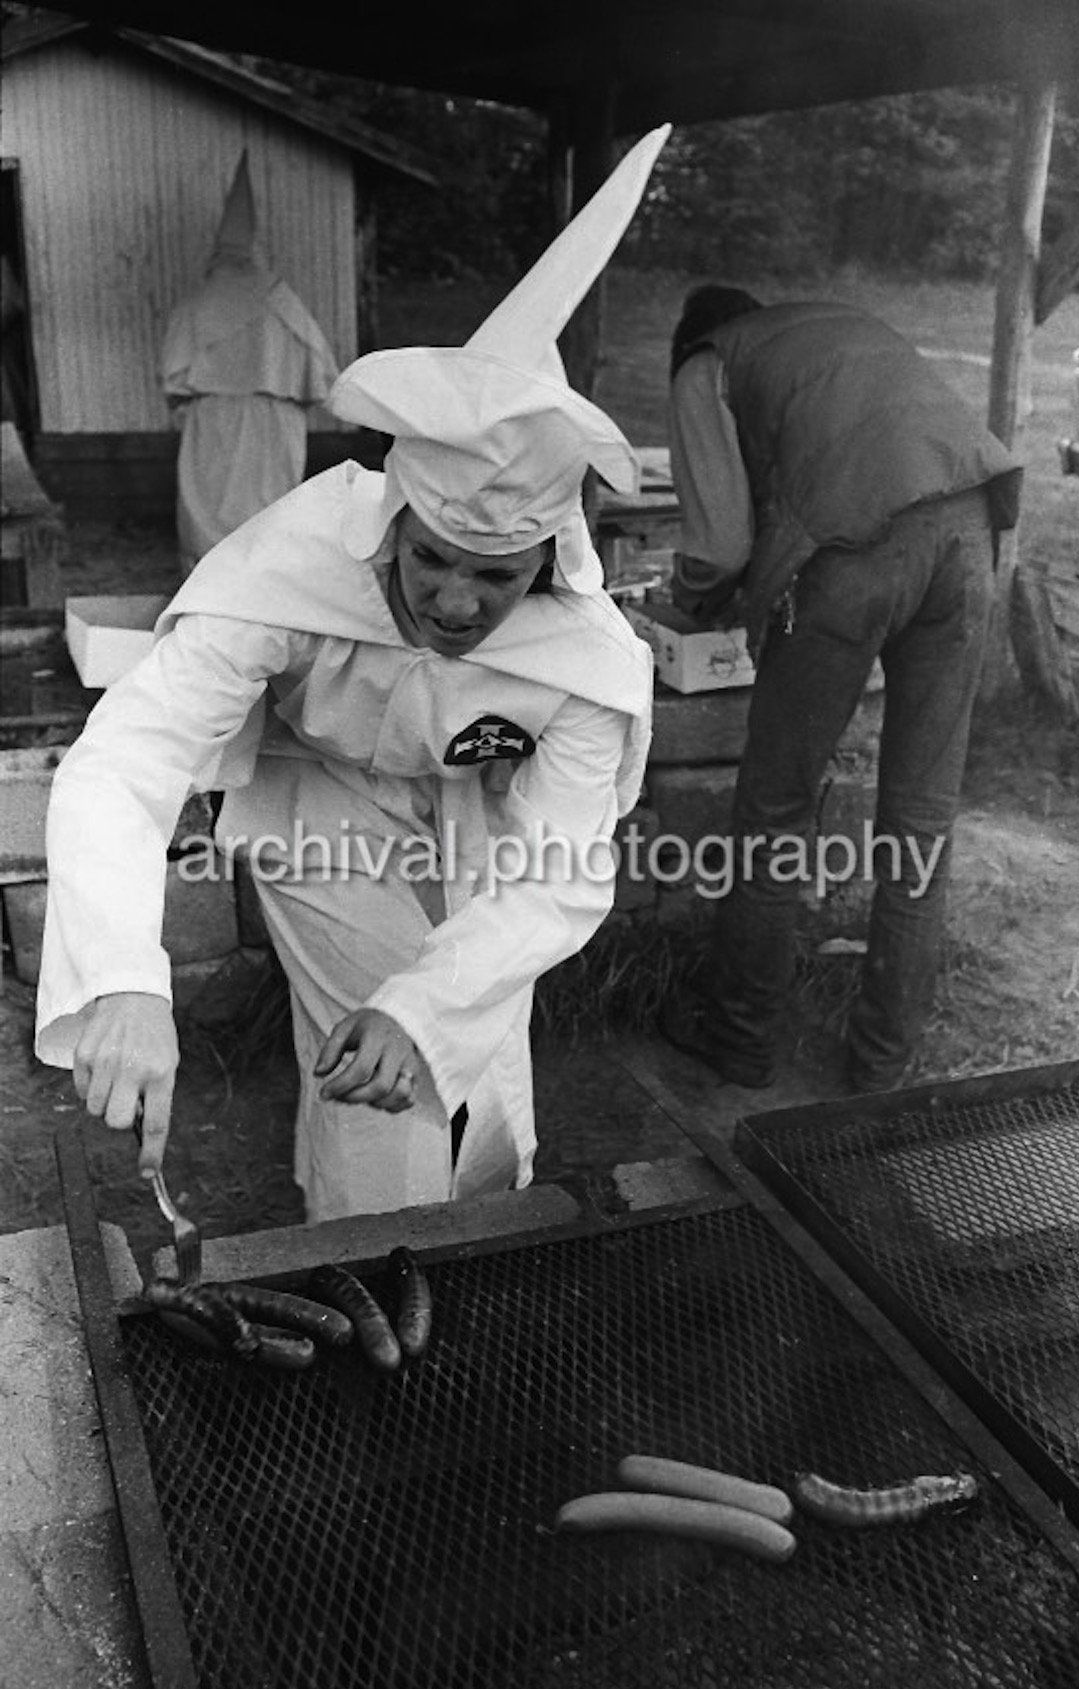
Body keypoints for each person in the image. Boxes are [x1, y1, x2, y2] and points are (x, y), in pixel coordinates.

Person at [36, 125, 670, 1222]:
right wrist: (125, 975)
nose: (455, 602)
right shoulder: (292, 565)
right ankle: (371, 1254)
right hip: (315, 792)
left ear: (550, 561)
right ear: (393, 522)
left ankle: (483, 1226)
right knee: (366, 1038)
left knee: (467, 1023)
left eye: (497, 577)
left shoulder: (585, 660)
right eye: (431, 559)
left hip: (482, 811)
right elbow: (125, 762)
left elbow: (560, 871)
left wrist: (432, 1010)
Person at [660, 284, 1023, 1095]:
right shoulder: (830, 328)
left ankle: (739, 1037)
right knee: (922, 822)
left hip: (854, 552)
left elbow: (717, 548)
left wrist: (685, 603)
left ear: (695, 340)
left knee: (775, 812)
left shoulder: (705, 365)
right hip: (968, 534)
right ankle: (882, 1065)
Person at [161, 151, 339, 578]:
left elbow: (173, 376)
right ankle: (261, 584)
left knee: (211, 509)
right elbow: (321, 373)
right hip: (272, 420)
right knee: (266, 506)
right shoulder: (282, 301)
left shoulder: (199, 303)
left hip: (215, 419)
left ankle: (214, 583)